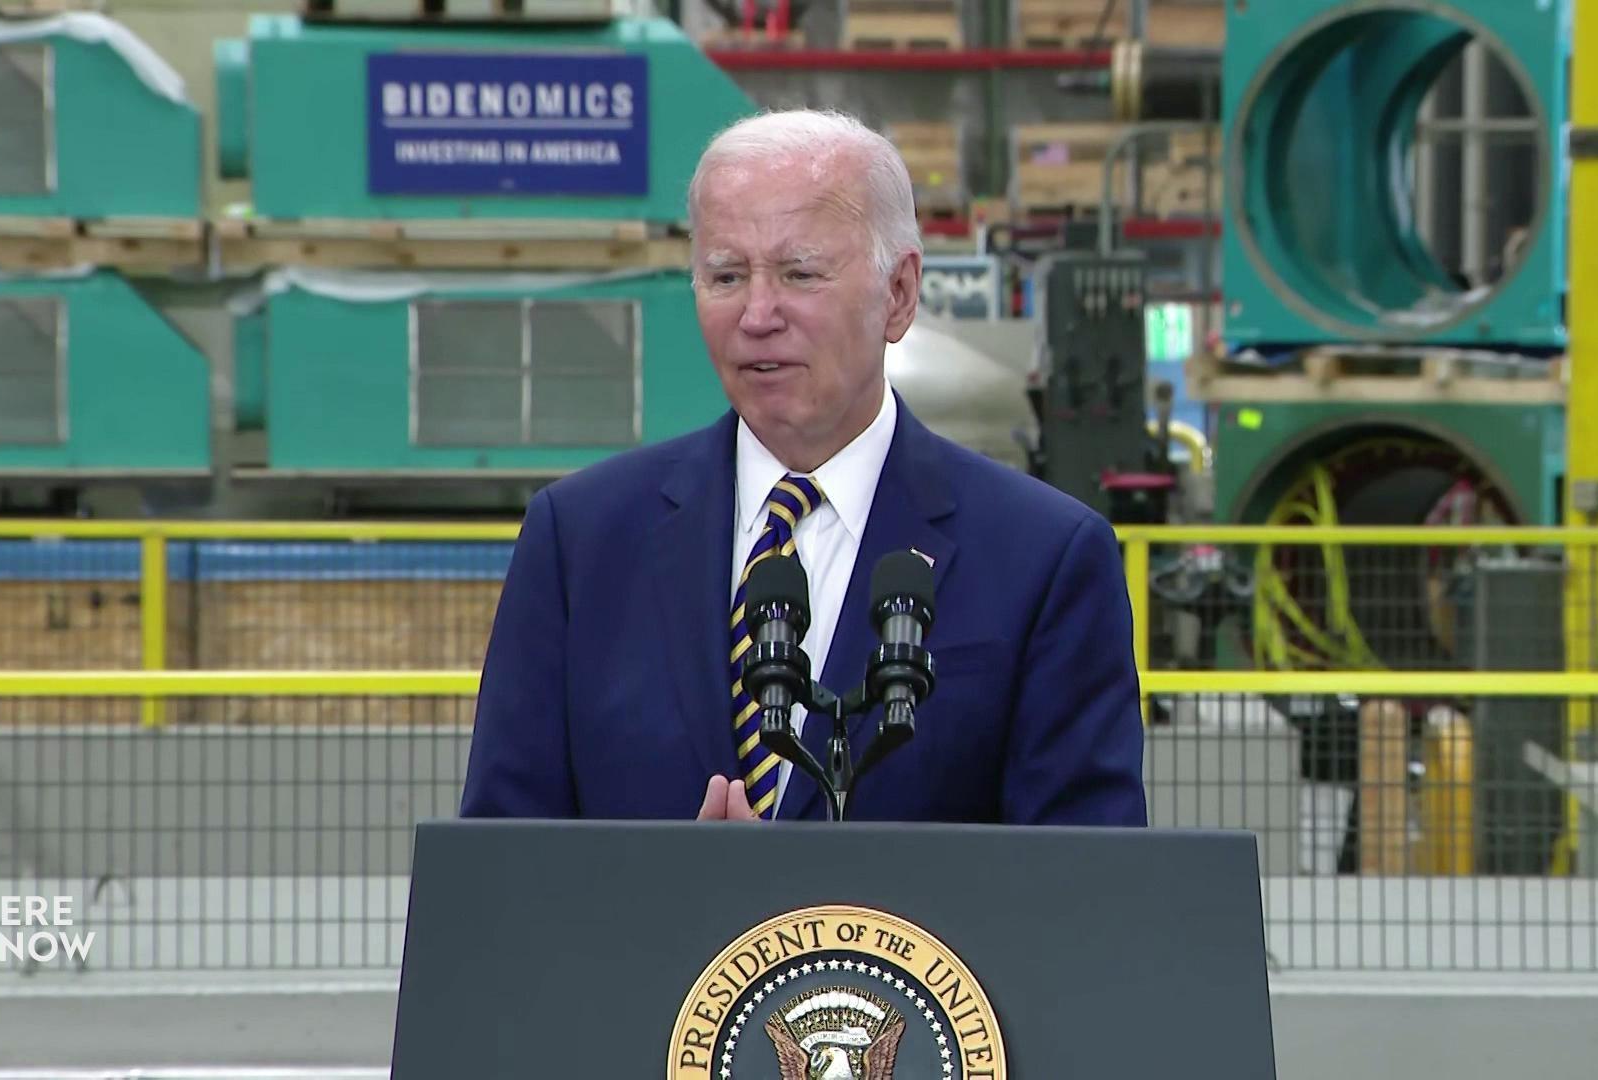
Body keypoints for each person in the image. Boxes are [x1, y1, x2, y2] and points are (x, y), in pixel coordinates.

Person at [459, 109, 1145, 825]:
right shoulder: (580, 542)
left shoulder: (1045, 559)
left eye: (800, 273)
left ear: (900, 294)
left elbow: (1084, 893)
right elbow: (504, 868)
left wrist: (810, 915)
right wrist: (673, 900)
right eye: (726, 275)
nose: (758, 314)